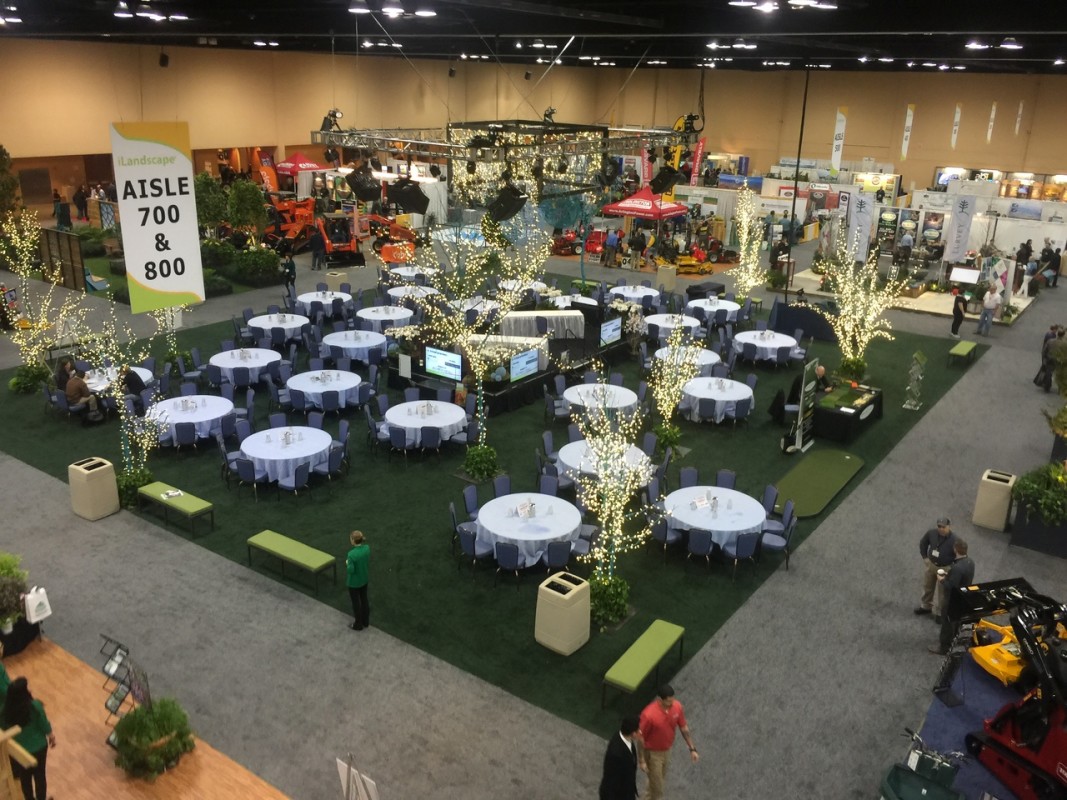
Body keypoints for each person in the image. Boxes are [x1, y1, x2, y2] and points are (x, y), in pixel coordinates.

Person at [638, 685, 698, 800]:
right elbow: (640, 738)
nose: (671, 703)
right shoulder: (648, 715)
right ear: (660, 700)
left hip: (667, 750)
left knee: (656, 781)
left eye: (672, 700)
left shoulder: (677, 706)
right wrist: (641, 760)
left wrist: (692, 748)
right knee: (658, 790)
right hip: (652, 754)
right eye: (668, 701)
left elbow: (684, 728)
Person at [1, 677, 56, 800]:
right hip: (39, 748)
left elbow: (3, 728)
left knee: (25, 778)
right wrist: (52, 737)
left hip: (20, 751)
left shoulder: (6, 711)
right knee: (40, 776)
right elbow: (44, 724)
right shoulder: (34, 706)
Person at [929, 538, 976, 654]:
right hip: (962, 597)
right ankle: (955, 640)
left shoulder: (957, 568)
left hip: (952, 600)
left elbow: (951, 585)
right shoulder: (970, 562)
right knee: (956, 621)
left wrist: (942, 580)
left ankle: (944, 647)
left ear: (956, 550)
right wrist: (950, 576)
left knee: (947, 623)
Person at [915, 517, 957, 617]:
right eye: (939, 526)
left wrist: (952, 568)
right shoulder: (931, 533)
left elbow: (959, 555)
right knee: (927, 586)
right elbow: (923, 543)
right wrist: (925, 557)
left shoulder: (955, 539)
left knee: (942, 592)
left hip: (945, 568)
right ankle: (926, 607)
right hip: (932, 565)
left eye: (944, 527)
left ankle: (940, 613)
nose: (941, 529)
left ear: (949, 526)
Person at [599, 716, 642, 800]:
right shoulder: (616, 754)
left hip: (626, 791)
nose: (641, 732)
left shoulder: (624, 738)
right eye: (638, 730)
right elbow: (611, 782)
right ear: (633, 733)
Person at [346, 530, 370, 631]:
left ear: (353, 541)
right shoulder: (367, 548)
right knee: (364, 599)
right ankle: (365, 621)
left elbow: (351, 570)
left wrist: (347, 563)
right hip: (364, 579)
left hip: (354, 583)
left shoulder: (351, 554)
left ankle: (358, 624)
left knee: (356, 603)